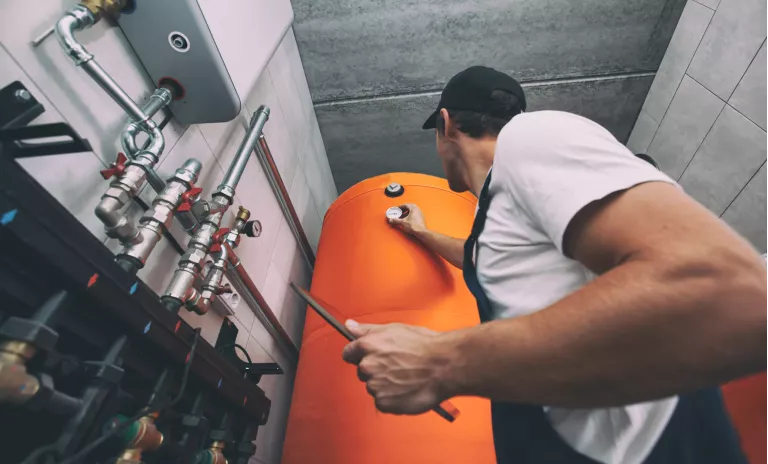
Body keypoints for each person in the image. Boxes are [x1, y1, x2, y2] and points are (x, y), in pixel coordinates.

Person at [340, 66, 768, 464]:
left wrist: (437, 362)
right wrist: (420, 232)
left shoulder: (531, 136)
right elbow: (476, 258)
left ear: (445, 124)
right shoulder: (495, 206)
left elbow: (723, 293)